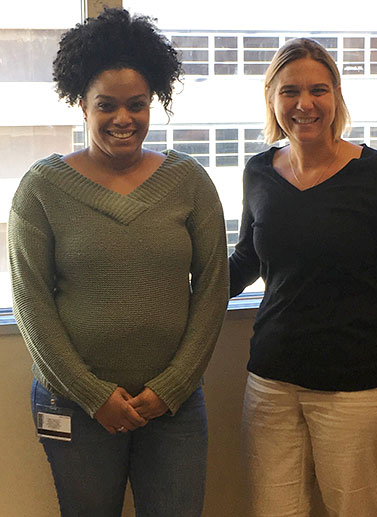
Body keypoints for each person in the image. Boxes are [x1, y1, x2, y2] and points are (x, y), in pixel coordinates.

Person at [8, 8, 228, 517]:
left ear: (154, 102)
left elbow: (212, 287)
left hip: (172, 408)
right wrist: (93, 395)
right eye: (106, 105)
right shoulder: (41, 188)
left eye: (137, 104)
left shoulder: (190, 182)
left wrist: (171, 388)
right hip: (74, 405)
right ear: (81, 104)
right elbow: (31, 303)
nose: (123, 119)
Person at [229, 38, 377, 517]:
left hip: (358, 391)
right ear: (272, 98)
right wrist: (179, 289)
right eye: (290, 91)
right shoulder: (258, 172)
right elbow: (246, 260)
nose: (304, 104)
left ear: (336, 96)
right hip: (271, 384)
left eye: (318, 90)